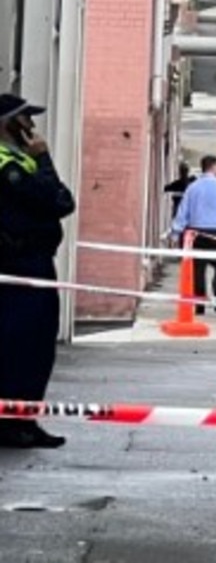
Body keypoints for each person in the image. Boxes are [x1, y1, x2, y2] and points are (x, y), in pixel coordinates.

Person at [0, 93, 77, 448]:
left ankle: (23, 420)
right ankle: (16, 424)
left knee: (28, 346)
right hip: (20, 265)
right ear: (10, 124)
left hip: (26, 264)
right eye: (25, 119)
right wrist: (44, 158)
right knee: (26, 346)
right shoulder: (10, 166)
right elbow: (60, 202)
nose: (32, 126)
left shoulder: (15, 160)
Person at [171, 155, 216, 315]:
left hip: (197, 233)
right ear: (213, 167)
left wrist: (176, 233)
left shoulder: (193, 188)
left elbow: (183, 213)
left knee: (198, 268)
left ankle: (199, 304)